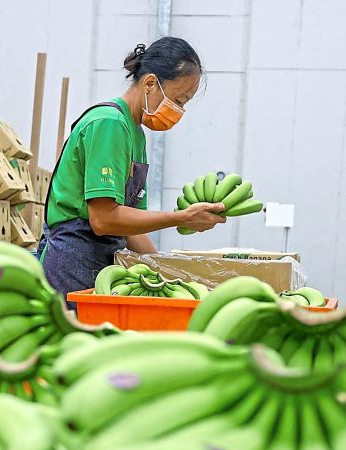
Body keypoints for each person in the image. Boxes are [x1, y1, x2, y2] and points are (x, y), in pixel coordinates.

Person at [37, 37, 225, 298]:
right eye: (178, 100)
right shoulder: (108, 123)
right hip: (72, 263)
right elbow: (104, 219)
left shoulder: (135, 134)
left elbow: (130, 229)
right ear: (150, 83)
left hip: (99, 262)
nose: (179, 111)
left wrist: (169, 273)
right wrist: (180, 218)